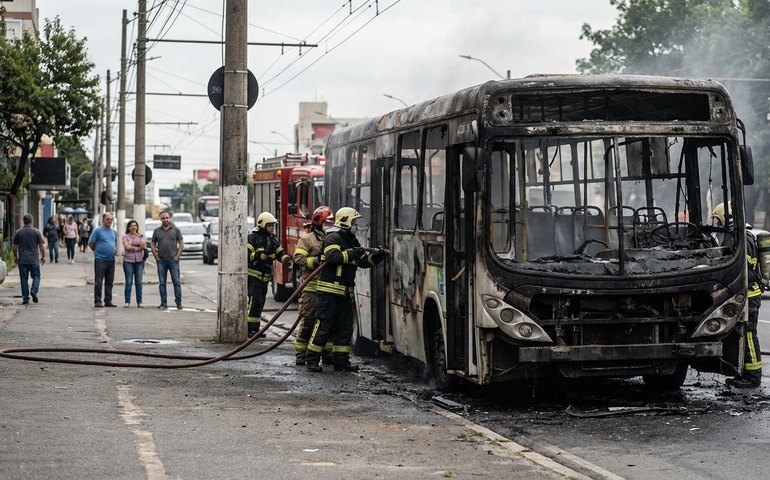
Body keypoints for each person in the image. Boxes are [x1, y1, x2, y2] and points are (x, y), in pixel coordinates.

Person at [305, 207, 387, 373]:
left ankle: (341, 362)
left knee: (344, 328)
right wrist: (351, 253)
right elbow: (332, 257)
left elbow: (363, 261)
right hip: (328, 292)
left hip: (344, 293)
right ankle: (312, 360)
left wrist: (378, 256)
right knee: (324, 326)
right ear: (346, 221)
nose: (356, 225)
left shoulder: (351, 239)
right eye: (354, 222)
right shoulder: (333, 237)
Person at [713, 202, 762, 388]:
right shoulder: (738, 237)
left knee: (749, 334)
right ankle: (744, 373)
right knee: (744, 334)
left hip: (749, 295)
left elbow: (742, 267)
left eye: (719, 220)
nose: (718, 225)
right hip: (746, 294)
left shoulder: (740, 240)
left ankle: (753, 377)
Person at [293, 206, 334, 365]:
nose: (331, 225)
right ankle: (301, 354)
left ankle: (326, 352)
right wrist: (316, 261)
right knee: (308, 321)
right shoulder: (307, 240)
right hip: (311, 289)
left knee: (327, 322)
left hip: (328, 288)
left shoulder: (334, 239)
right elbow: (298, 259)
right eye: (327, 222)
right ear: (319, 223)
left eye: (332, 222)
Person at [247, 212, 291, 337]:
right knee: (253, 302)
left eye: (273, 226)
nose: (272, 228)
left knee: (260, 302)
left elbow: (279, 253)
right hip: (254, 276)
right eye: (270, 225)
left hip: (264, 278)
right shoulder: (253, 238)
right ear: (263, 225)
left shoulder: (272, 240)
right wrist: (258, 255)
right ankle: (249, 328)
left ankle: (255, 329)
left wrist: (286, 259)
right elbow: (246, 255)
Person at [152, 211, 184, 309]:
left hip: (173, 261)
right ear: (160, 219)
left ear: (169, 218)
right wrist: (155, 256)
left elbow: (181, 243)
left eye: (167, 218)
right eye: (163, 218)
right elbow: (153, 244)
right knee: (162, 283)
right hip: (161, 261)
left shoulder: (176, 230)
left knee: (176, 282)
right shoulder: (157, 231)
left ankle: (178, 303)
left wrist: (178, 255)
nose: (165, 220)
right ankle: (163, 303)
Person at [12, 214, 46, 305]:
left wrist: (15, 258)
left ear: (24, 221)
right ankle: (34, 290)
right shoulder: (36, 232)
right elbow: (41, 246)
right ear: (32, 221)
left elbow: (14, 247)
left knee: (23, 279)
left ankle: (25, 299)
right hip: (34, 260)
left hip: (22, 260)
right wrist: (43, 257)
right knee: (36, 276)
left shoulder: (18, 232)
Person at [88, 212, 118, 307]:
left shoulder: (113, 232)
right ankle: (97, 301)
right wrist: (97, 252)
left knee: (109, 282)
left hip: (111, 260)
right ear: (103, 220)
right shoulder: (97, 231)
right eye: (107, 219)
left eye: (111, 219)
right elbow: (91, 243)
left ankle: (108, 301)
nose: (109, 221)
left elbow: (114, 243)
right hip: (100, 260)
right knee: (98, 281)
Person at [122, 219, 146, 308]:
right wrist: (137, 248)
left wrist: (140, 237)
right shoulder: (125, 237)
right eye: (131, 226)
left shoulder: (140, 236)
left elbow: (143, 245)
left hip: (140, 261)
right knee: (128, 282)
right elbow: (127, 247)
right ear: (128, 227)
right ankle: (127, 301)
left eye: (135, 226)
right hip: (128, 261)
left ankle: (139, 301)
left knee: (139, 282)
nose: (133, 227)